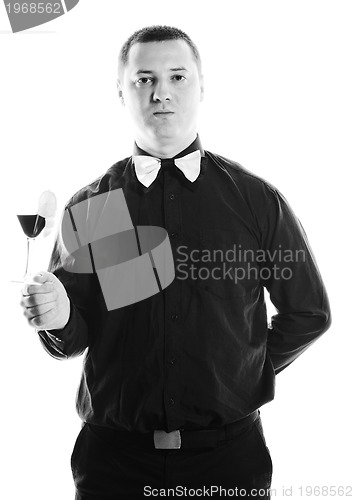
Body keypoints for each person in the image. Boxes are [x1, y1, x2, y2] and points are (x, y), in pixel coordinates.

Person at [20, 25, 331, 499]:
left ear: (201, 85)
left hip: (229, 461)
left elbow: (309, 312)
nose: (161, 92)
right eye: (144, 79)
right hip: (113, 463)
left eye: (177, 77)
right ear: (121, 92)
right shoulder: (90, 208)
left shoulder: (255, 201)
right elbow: (70, 339)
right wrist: (59, 318)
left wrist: (245, 370)